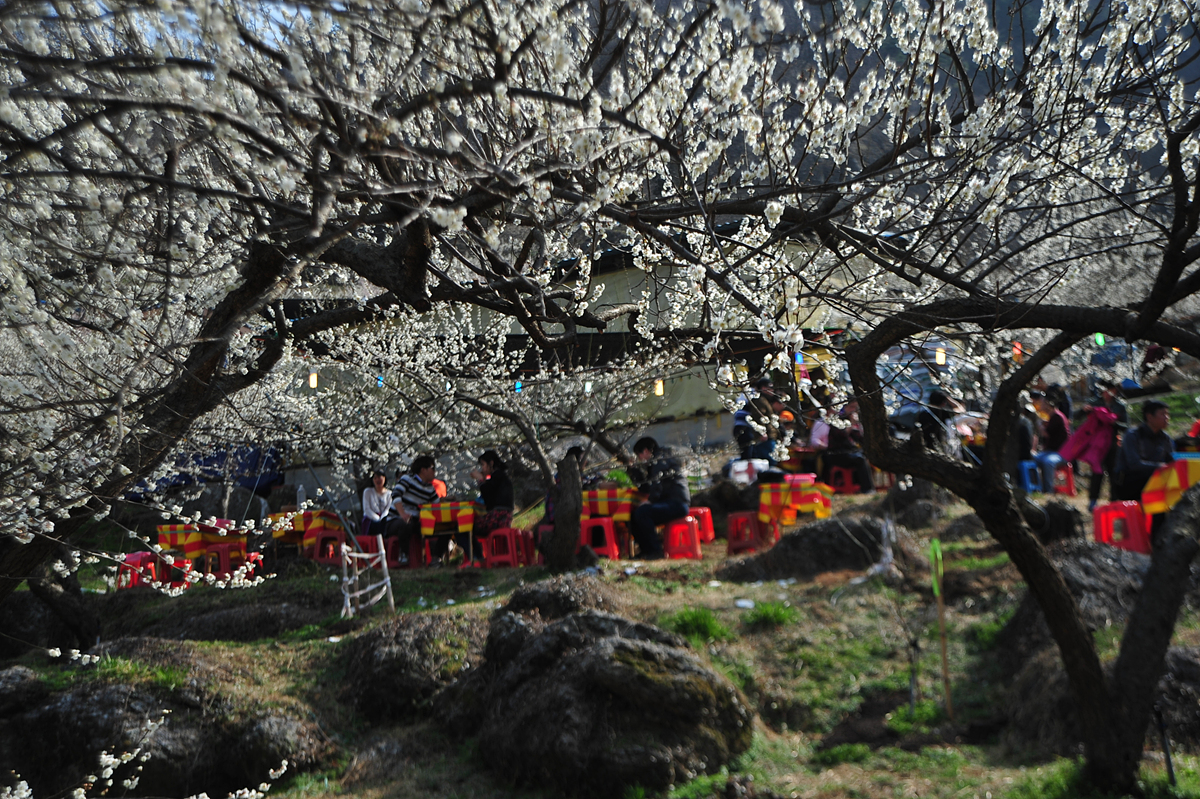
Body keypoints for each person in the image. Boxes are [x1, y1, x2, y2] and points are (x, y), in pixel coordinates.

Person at [629, 437, 690, 560]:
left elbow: (656, 486)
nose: (640, 459)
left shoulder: (660, 461)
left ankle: (655, 551)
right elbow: (646, 487)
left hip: (676, 503)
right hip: (670, 503)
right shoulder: (659, 461)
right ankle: (646, 550)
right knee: (634, 516)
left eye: (639, 455)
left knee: (642, 513)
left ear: (646, 451)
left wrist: (650, 501)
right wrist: (633, 470)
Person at [1114, 400, 1174, 503]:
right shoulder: (1133, 435)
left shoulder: (1165, 438)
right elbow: (1134, 464)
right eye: (1163, 414)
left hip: (1154, 480)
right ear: (1149, 417)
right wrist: (1160, 466)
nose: (1167, 418)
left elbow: (1171, 460)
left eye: (1167, 414)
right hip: (1130, 483)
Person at [1082, 379, 1129, 509]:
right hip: (1097, 444)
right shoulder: (1095, 403)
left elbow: (1126, 426)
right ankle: (1093, 500)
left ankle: (1114, 501)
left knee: (1114, 473)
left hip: (1113, 444)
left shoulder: (1120, 406)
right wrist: (1086, 411)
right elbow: (1078, 415)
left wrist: (1113, 423)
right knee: (1097, 473)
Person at [821, 400, 874, 492]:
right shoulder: (836, 421)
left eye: (855, 408)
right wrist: (852, 424)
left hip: (850, 452)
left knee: (866, 455)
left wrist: (859, 426)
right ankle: (867, 489)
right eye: (851, 407)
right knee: (859, 459)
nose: (853, 410)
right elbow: (841, 435)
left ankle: (860, 484)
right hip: (837, 454)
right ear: (845, 407)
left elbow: (861, 439)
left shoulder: (855, 421)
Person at [393, 456, 440, 558]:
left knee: (436, 528)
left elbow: (437, 503)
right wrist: (402, 514)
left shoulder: (430, 488)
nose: (434, 472)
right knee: (406, 524)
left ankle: (435, 558)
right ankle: (403, 555)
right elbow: (396, 494)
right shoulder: (407, 479)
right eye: (432, 468)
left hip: (416, 520)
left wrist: (449, 500)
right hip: (396, 518)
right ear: (423, 470)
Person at [733, 378, 784, 461]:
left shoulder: (758, 397)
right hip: (746, 429)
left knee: (750, 456)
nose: (772, 390)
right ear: (763, 388)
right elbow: (759, 416)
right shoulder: (756, 397)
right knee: (749, 457)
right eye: (770, 387)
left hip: (745, 428)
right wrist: (762, 433)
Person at [471, 449, 515, 539]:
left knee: (467, 527)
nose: (482, 468)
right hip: (504, 519)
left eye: (483, 465)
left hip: (497, 519)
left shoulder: (498, 476)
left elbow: (487, 495)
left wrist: (480, 479)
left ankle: (475, 553)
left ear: (491, 463)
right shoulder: (500, 476)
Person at [1032, 391, 1071, 490]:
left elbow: (1046, 433)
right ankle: (1038, 487)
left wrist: (1039, 425)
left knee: (1048, 462)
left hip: (1061, 453)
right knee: (1035, 458)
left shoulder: (1057, 417)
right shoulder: (1053, 417)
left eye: (1044, 402)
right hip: (1051, 451)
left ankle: (1048, 490)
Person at [361, 470, 393, 538]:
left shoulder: (389, 494)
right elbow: (367, 509)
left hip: (385, 519)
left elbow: (388, 509)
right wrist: (377, 518)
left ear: (384, 478)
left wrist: (382, 518)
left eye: (380, 477)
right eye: (375, 478)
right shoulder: (368, 492)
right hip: (370, 519)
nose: (377, 480)